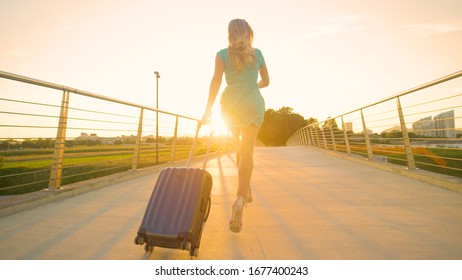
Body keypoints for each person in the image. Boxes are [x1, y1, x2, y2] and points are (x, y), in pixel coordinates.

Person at [201, 19, 270, 233]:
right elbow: (266, 81)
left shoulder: (222, 54)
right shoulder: (257, 54)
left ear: (230, 33)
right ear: (249, 33)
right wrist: (253, 85)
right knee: (247, 149)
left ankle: (244, 187)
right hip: (252, 105)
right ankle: (240, 198)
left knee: (241, 147)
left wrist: (208, 111)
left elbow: (215, 81)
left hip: (231, 106)